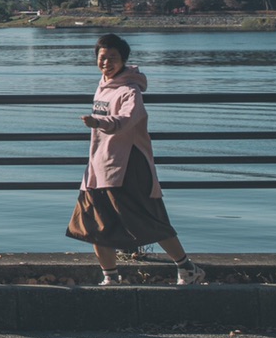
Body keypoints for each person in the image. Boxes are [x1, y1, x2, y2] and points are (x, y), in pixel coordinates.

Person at [67, 34, 205, 286]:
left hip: (127, 165)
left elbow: (128, 119)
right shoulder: (102, 85)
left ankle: (187, 268)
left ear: (123, 60)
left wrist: (99, 122)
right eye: (102, 57)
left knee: (148, 219)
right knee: (95, 222)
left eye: (113, 58)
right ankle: (110, 276)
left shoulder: (130, 90)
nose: (106, 63)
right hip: (99, 165)